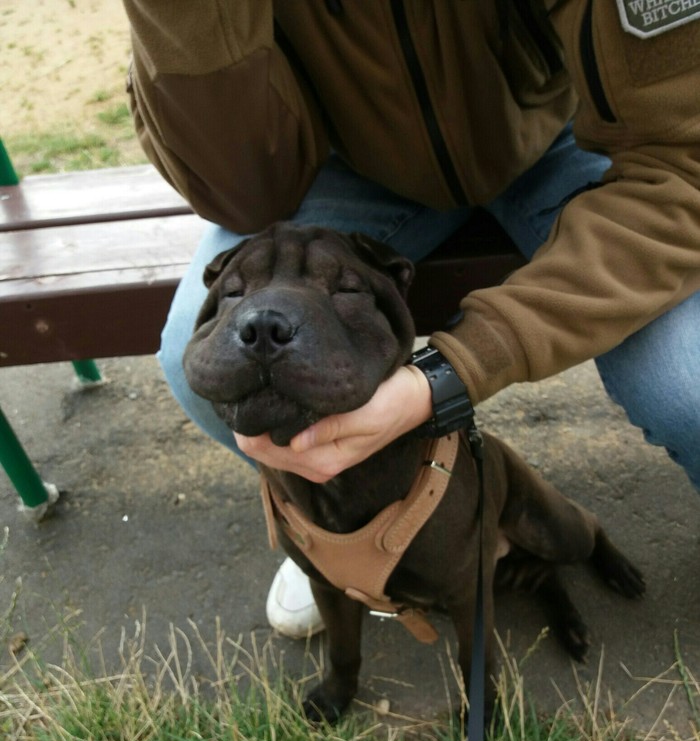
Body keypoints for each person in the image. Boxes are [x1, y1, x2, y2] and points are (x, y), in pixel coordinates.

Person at [122, 0, 700, 638]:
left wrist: (451, 372)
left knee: (691, 383)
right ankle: (333, 528)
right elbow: (246, 193)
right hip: (353, 163)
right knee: (194, 353)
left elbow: (682, 171)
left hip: (570, 139)